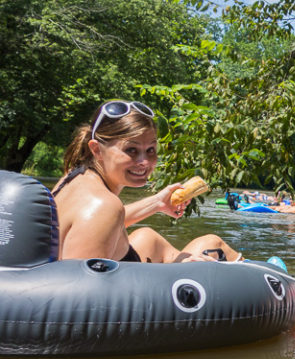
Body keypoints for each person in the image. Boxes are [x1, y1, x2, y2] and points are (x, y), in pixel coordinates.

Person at [52, 99, 241, 263]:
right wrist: (175, 275)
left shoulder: (72, 179)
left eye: (151, 149)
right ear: (96, 150)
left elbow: (98, 226)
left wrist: (157, 202)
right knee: (212, 244)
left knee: (147, 236)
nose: (145, 162)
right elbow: (83, 295)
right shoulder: (103, 207)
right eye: (131, 150)